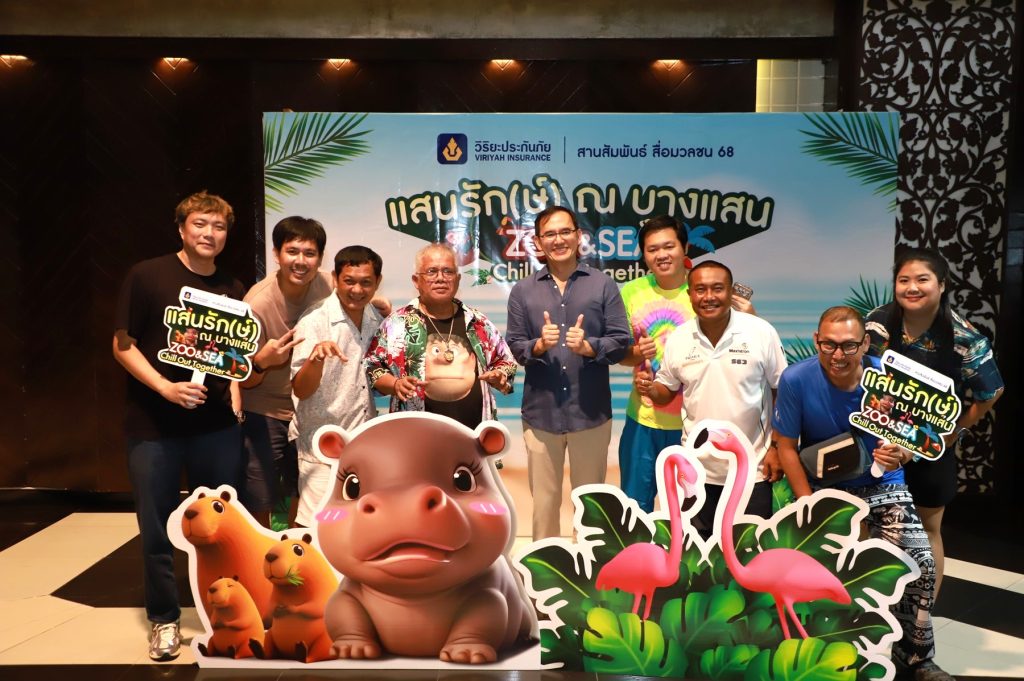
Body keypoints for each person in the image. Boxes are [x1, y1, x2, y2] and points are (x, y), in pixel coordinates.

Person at [773, 305, 951, 681]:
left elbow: (917, 436)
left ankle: (917, 657)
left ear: (865, 343)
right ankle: (825, 652)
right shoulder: (795, 378)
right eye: (829, 345)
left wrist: (901, 452)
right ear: (816, 341)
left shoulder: (890, 377)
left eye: (849, 346)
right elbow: (786, 446)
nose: (838, 355)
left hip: (884, 483)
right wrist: (807, 503)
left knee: (920, 561)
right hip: (824, 486)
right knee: (818, 569)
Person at [113, 191, 245, 661]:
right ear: (181, 228)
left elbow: (231, 355)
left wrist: (235, 393)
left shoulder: (233, 287)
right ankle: (165, 619)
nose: (210, 234)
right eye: (200, 224)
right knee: (157, 529)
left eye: (219, 227)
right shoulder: (147, 275)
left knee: (222, 528)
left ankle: (226, 618)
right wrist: (165, 388)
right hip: (153, 427)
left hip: (216, 429)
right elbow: (122, 345)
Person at [865, 247, 1003, 600]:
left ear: (941, 285)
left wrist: (954, 432)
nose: (912, 287)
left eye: (922, 280)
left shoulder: (965, 338)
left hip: (930, 446)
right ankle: (868, 609)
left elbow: (991, 392)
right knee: (867, 521)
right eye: (903, 280)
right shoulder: (877, 322)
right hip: (877, 440)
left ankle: (925, 611)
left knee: (928, 528)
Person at [506, 206, 631, 539]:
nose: (558, 240)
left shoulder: (603, 285)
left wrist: (590, 347)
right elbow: (515, 345)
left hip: (590, 413)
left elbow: (621, 341)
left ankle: (590, 567)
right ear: (537, 242)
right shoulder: (522, 291)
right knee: (544, 504)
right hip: (540, 415)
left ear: (579, 236)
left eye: (565, 232)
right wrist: (537, 345)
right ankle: (544, 566)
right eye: (549, 234)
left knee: (591, 506)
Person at [635, 260, 786, 536]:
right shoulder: (680, 337)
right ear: (690, 294)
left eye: (717, 288)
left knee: (746, 550)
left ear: (730, 292)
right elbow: (665, 390)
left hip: (751, 470)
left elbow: (781, 391)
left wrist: (776, 447)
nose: (708, 297)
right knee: (699, 555)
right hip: (695, 471)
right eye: (700, 289)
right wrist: (649, 388)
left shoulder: (760, 332)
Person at [240, 216, 332, 528]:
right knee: (260, 495)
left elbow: (357, 297)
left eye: (310, 253)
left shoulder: (327, 285)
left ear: (320, 257)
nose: (301, 261)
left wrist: (378, 303)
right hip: (265, 411)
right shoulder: (257, 303)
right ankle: (258, 553)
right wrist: (263, 361)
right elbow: (243, 379)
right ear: (276, 254)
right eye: (292, 251)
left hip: (311, 408)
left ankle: (296, 551)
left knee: (304, 491)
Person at [365, 242, 516, 430]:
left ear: (458, 279)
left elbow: (506, 361)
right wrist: (395, 384)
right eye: (431, 272)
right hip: (415, 434)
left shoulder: (478, 322)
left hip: (475, 434)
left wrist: (500, 374)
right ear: (416, 281)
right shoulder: (397, 323)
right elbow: (372, 367)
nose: (440, 278)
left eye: (448, 271)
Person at [291, 246, 386, 527]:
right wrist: (315, 359)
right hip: (320, 447)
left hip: (363, 447)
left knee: (355, 528)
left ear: (377, 282)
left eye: (366, 282)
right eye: (349, 281)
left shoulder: (377, 320)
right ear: (335, 278)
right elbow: (300, 390)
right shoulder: (314, 321)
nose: (357, 290)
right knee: (315, 528)